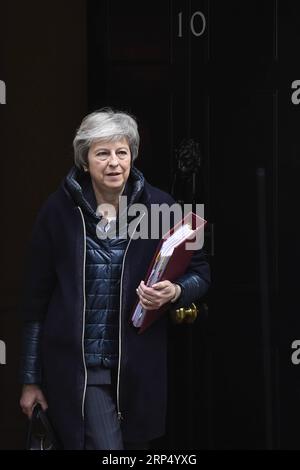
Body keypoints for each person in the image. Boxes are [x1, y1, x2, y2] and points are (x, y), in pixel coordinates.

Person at [19, 108, 210, 450]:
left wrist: (176, 291)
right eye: (102, 153)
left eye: (121, 152)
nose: (114, 163)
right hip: (80, 371)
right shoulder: (58, 211)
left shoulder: (160, 207)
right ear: (84, 160)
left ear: (132, 156)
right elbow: (35, 302)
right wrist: (30, 380)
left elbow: (201, 272)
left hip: (138, 368)